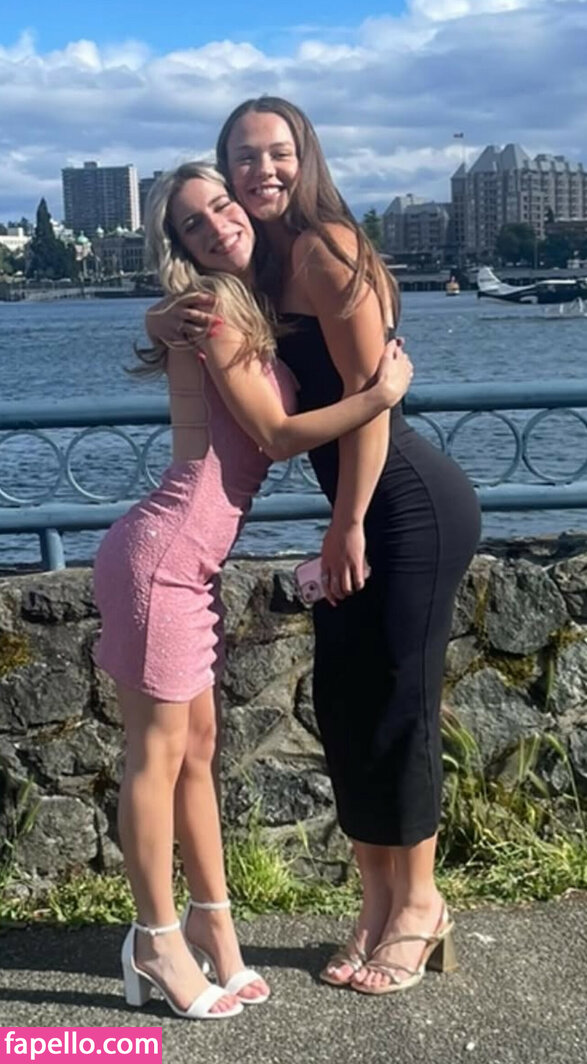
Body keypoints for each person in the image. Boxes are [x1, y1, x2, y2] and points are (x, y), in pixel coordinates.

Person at [147, 100, 481, 997]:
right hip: (360, 509)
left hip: (404, 505)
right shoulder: (258, 261)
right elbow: (181, 316)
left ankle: (420, 907)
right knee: (343, 700)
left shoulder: (327, 249)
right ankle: (374, 907)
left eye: (278, 153)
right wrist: (156, 323)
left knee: (398, 701)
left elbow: (374, 402)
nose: (262, 170)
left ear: (306, 157)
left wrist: (346, 524)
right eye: (243, 157)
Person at [93, 160, 413, 1021]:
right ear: (180, 246)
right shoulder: (208, 309)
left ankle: (214, 927)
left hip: (187, 562)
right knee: (156, 757)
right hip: (161, 558)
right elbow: (272, 435)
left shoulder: (244, 301)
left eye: (221, 206)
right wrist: (378, 395)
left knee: (196, 751)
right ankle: (155, 941)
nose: (217, 225)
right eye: (193, 224)